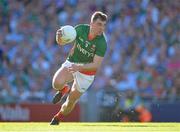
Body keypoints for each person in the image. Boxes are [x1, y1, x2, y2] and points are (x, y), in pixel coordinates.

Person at [50, 11, 108, 125]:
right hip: (73, 62)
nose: (102, 28)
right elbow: (64, 40)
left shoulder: (102, 43)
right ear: (91, 23)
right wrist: (59, 38)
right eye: (99, 24)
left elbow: (95, 65)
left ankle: (58, 117)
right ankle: (63, 89)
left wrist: (79, 67)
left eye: (104, 25)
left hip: (87, 73)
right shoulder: (80, 29)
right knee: (56, 83)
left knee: (71, 101)